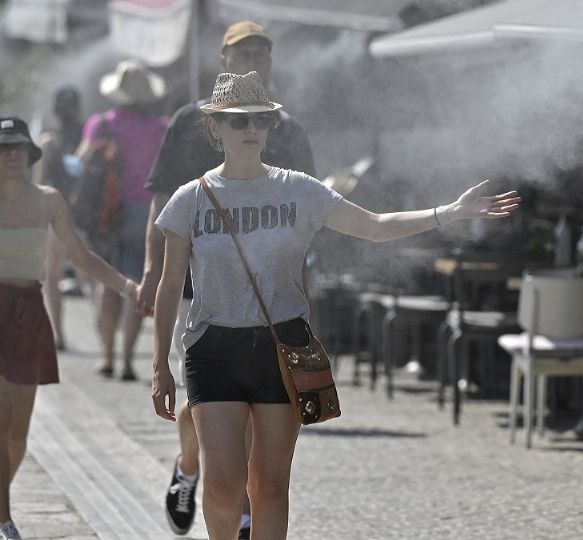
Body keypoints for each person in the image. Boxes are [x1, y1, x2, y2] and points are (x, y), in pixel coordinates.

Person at [150, 71, 520, 540]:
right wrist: (160, 363)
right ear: (214, 128)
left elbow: (376, 225)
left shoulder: (299, 189)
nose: (251, 129)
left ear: (271, 128)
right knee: (223, 489)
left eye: (261, 120)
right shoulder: (190, 199)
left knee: (268, 489)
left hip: (283, 346)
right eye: (238, 120)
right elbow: (168, 286)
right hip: (212, 347)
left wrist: (448, 212)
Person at [138, 20, 316, 538]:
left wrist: (300, 296)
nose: (254, 59)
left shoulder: (289, 129)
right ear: (223, 60)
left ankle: (239, 513)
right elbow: (161, 200)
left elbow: (306, 219)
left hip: (266, 304)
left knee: (248, 418)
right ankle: (189, 468)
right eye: (244, 52)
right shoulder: (190, 122)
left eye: (262, 51)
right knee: (197, 404)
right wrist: (152, 268)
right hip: (198, 289)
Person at [0, 117, 139, 540]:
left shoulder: (48, 201)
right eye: (3, 147)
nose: (11, 154)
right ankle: (5, 521)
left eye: (19, 147)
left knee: (19, 432)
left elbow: (80, 256)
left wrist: (127, 286)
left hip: (28, 312)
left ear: (29, 155)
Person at [77, 60, 167, 379]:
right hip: (150, 213)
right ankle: (129, 359)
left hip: (109, 213)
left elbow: (82, 163)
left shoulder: (101, 124)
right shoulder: (161, 128)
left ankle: (107, 356)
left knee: (108, 283)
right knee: (138, 285)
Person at [34, 86, 84, 350]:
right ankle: (107, 338)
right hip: (86, 213)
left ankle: (58, 334)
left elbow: (41, 182)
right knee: (91, 274)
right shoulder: (89, 133)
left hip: (57, 213)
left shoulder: (48, 140)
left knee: (52, 275)